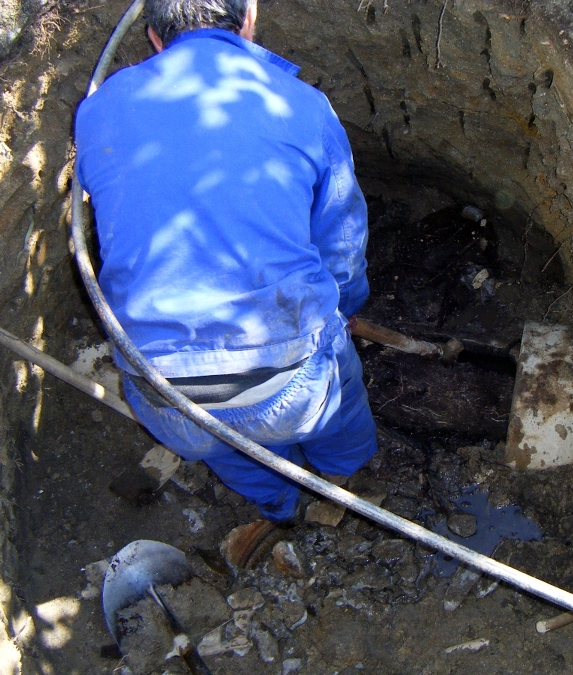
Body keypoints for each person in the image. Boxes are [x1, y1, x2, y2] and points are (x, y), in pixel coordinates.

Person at [74, 0, 377, 528]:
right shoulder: (302, 106)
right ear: (249, 19)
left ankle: (279, 505)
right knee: (339, 407)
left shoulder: (98, 109)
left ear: (154, 38)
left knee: (221, 441)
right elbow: (342, 239)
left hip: (166, 391)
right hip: (292, 384)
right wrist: (348, 308)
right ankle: (342, 479)